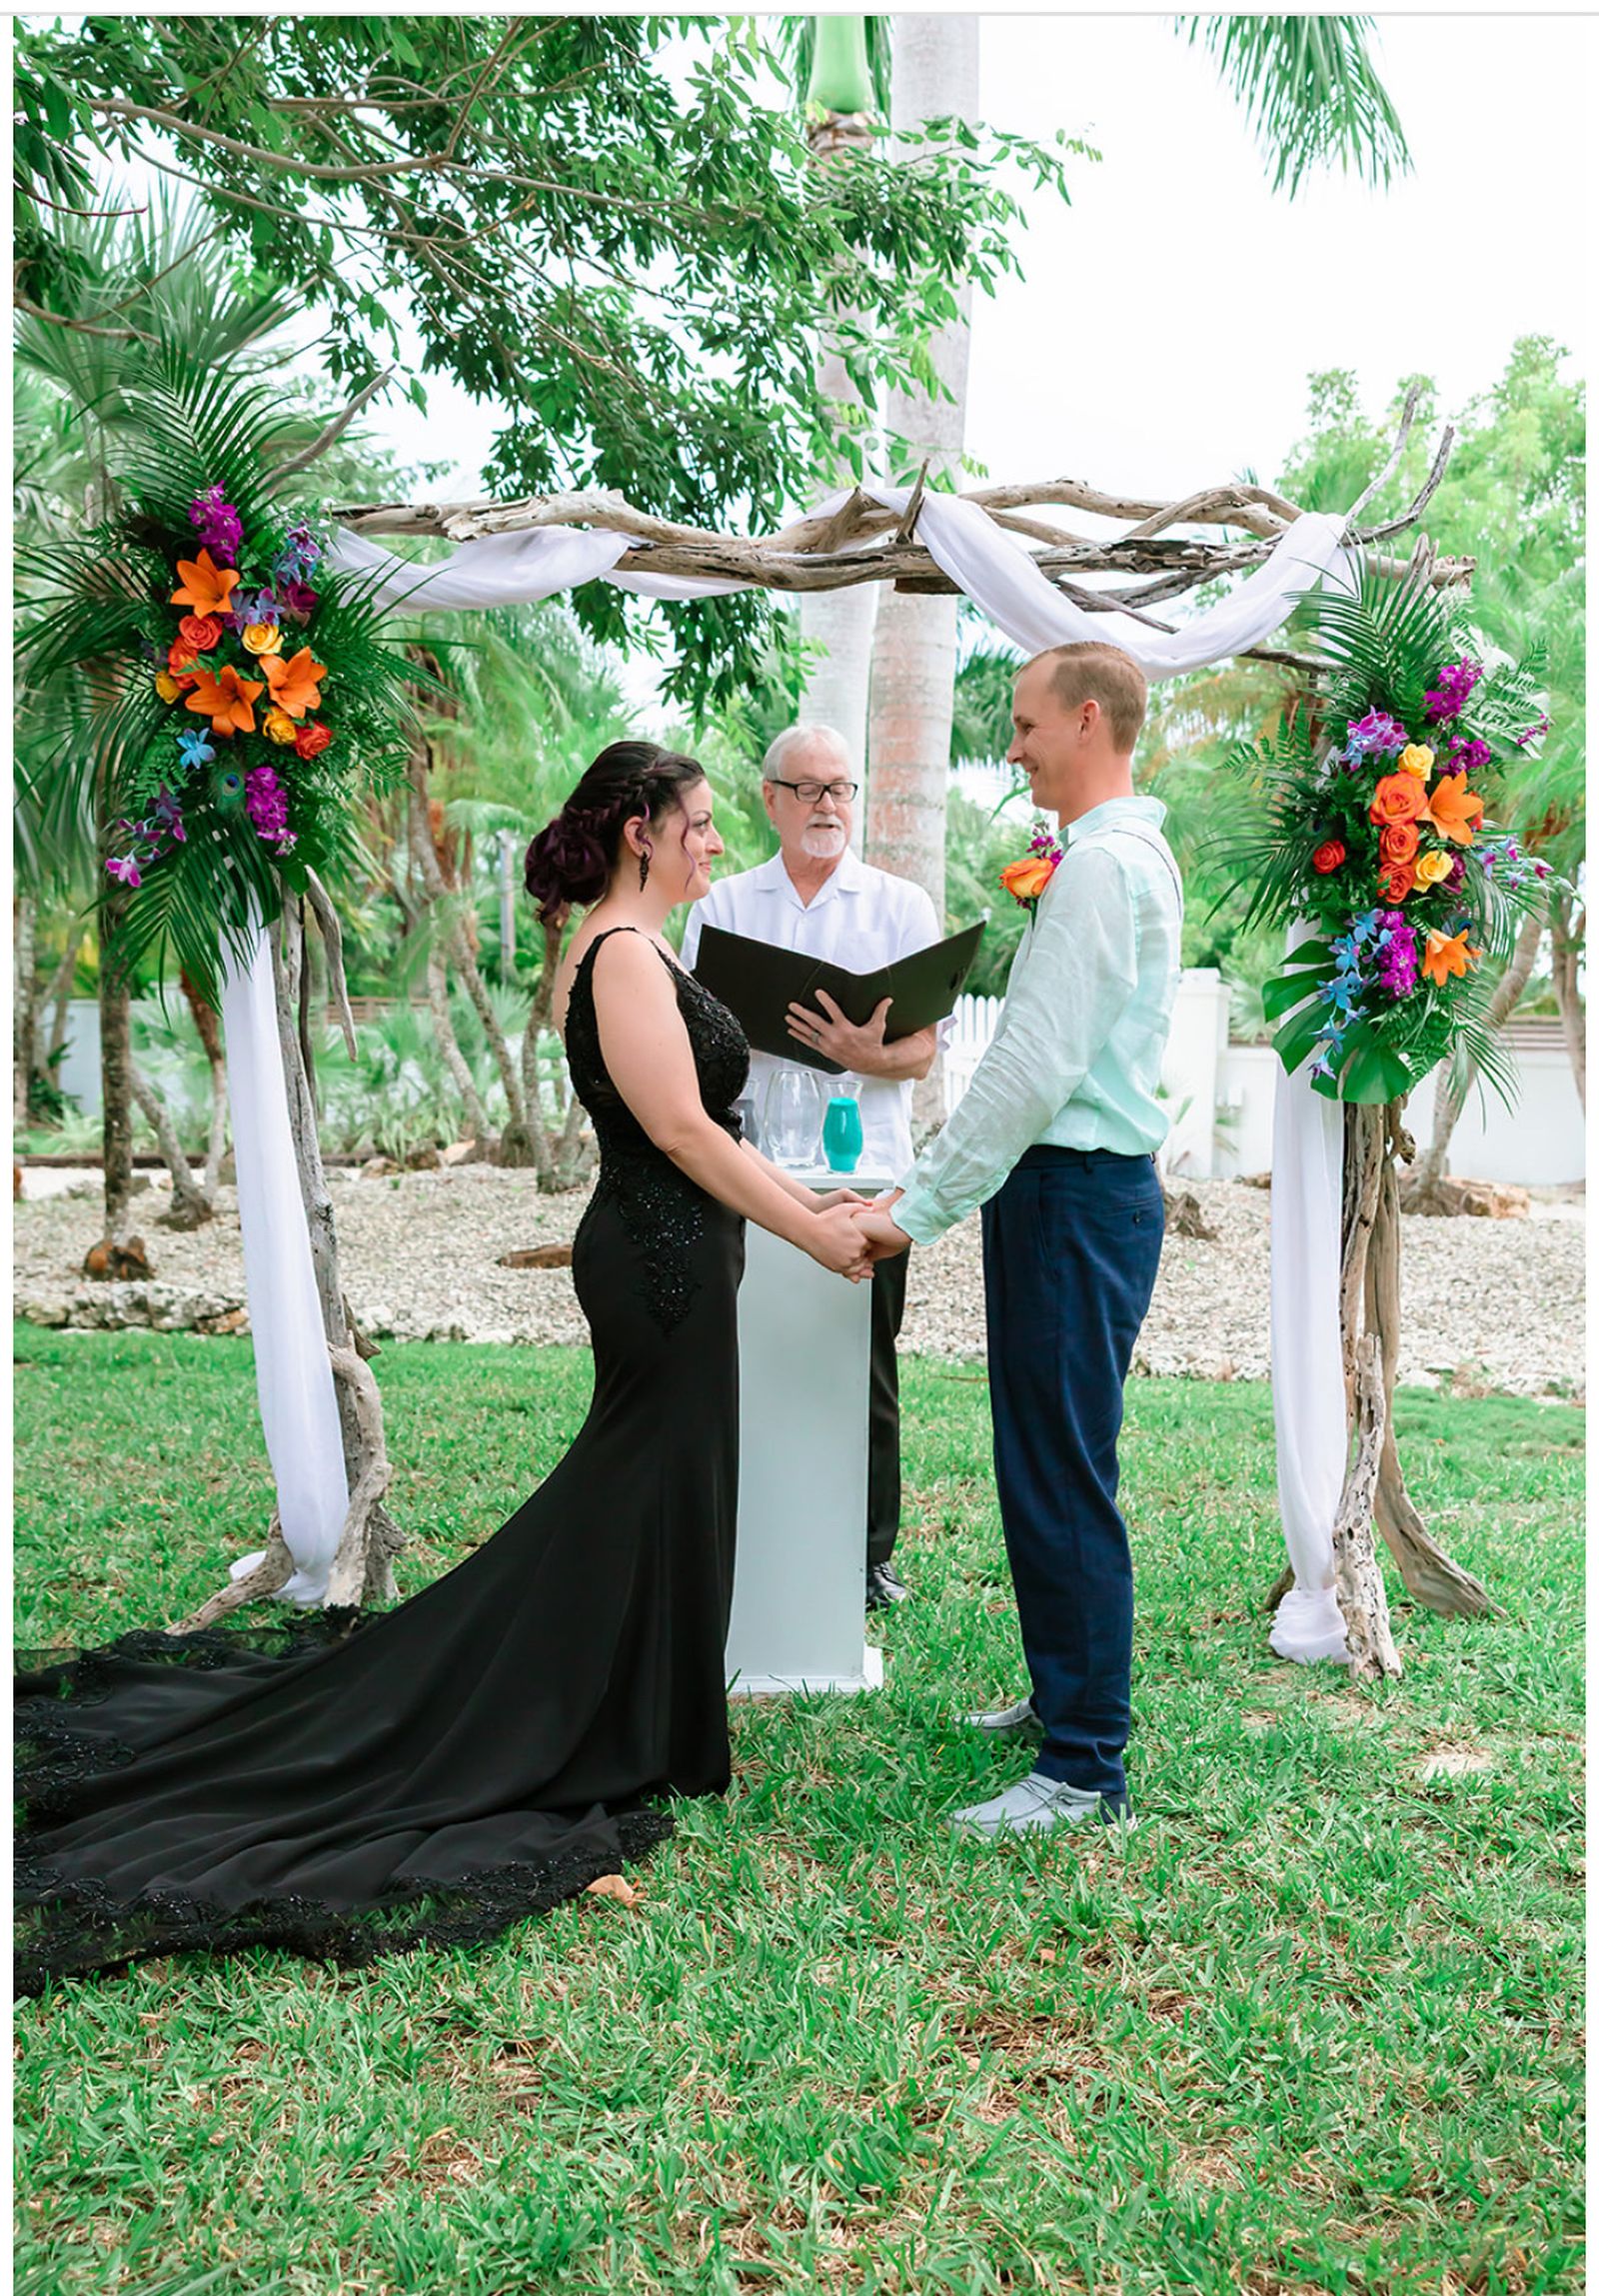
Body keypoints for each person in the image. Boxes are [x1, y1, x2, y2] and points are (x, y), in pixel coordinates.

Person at [15, 741, 874, 1993]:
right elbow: (682, 1130)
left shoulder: (640, 947)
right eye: (696, 824)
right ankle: (586, 1718)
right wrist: (818, 1231)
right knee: (640, 1481)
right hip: (658, 1259)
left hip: (684, 1249)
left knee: (662, 1483)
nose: (712, 844)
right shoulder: (622, 953)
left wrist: (816, 1206)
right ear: (641, 828)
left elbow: (718, 1126)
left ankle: (656, 1715)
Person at [853, 644, 1183, 1838]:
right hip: (1073, 1195)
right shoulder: (1117, 856)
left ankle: (1085, 1765)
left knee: (1059, 1472)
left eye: (1028, 720)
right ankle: (1063, 1700)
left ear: (1087, 718)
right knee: (1045, 1457)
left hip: (1073, 1195)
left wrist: (908, 1212)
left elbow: (1032, 1067)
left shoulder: (1100, 867)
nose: (1013, 742)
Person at [681, 725, 943, 1612]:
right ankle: (746, 1533)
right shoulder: (722, 907)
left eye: (842, 789)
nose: (829, 805)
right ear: (771, 799)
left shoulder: (900, 905)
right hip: (749, 1163)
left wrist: (859, 1053)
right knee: (745, 1350)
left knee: (866, 1363)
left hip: (870, 1172)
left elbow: (922, 1056)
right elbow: (685, 1037)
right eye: (811, 788)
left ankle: (869, 1555)